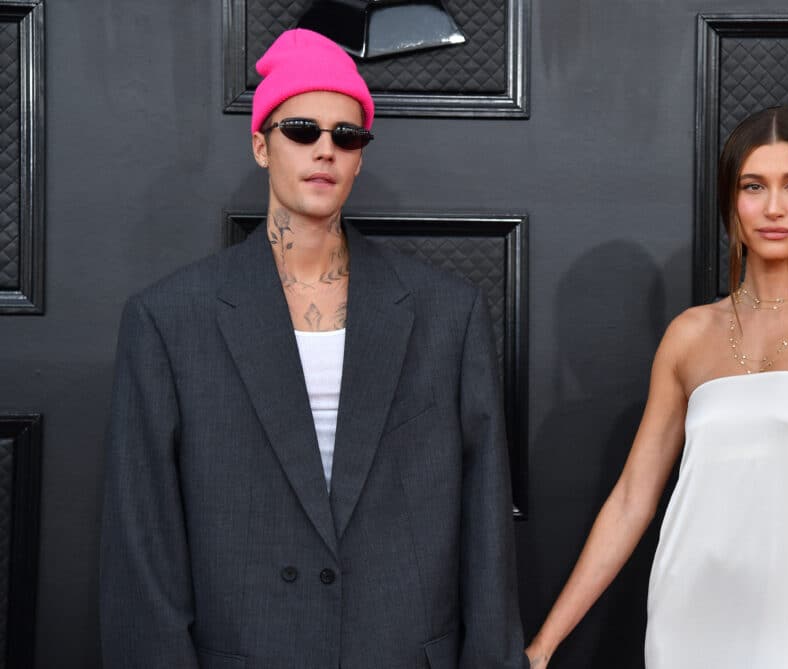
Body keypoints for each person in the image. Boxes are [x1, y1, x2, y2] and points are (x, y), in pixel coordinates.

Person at [100, 28, 528, 669]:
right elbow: (143, 544)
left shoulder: (446, 313)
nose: (325, 150)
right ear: (261, 145)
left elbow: (486, 524)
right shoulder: (169, 320)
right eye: (302, 130)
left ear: (360, 157)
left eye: (346, 135)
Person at [525, 107, 788, 668]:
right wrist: (543, 647)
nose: (774, 208)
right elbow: (632, 498)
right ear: (730, 203)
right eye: (753, 186)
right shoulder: (689, 335)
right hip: (687, 620)